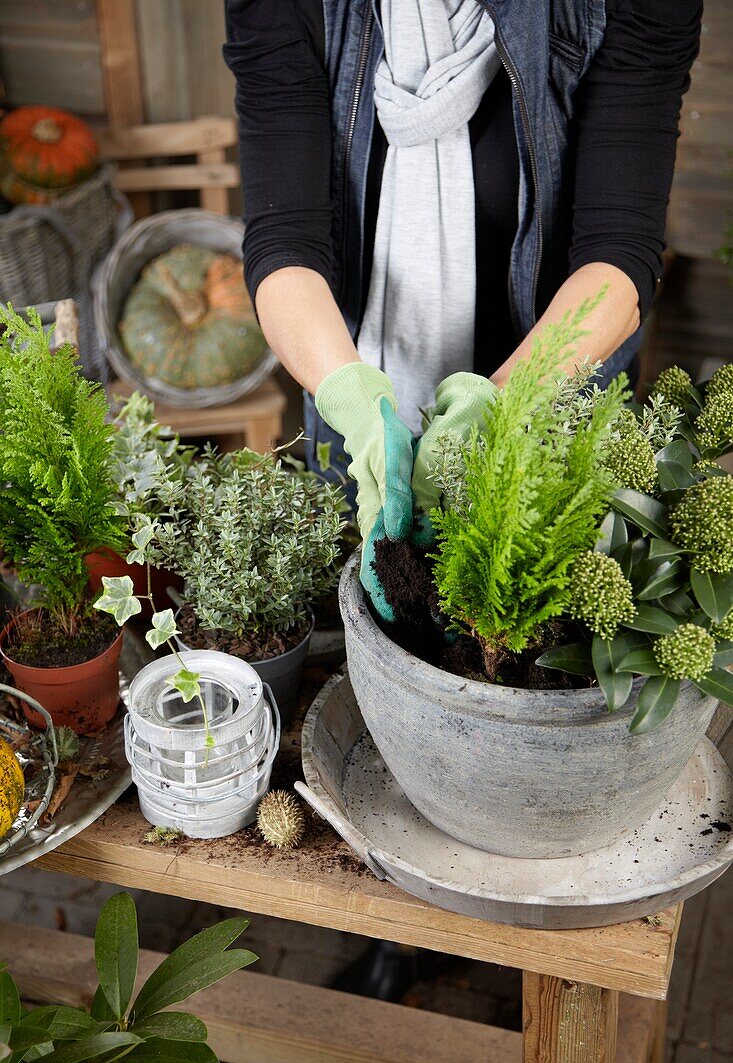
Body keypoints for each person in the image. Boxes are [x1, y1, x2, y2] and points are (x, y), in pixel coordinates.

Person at [224, 0, 700, 609]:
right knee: (374, 609)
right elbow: (283, 239)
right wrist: (356, 405)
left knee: (532, 613)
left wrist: (500, 406)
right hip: (354, 360)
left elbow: (620, 252)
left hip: (555, 386)